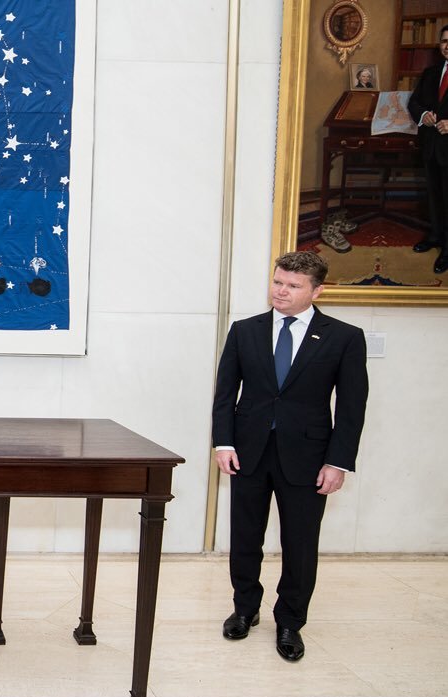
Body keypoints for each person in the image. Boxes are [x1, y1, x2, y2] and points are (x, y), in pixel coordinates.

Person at [211, 251, 368, 663]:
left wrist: (338, 462)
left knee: (300, 543)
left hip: (309, 457)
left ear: (317, 291)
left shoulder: (344, 337)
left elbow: (352, 407)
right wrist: (222, 443)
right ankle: (245, 609)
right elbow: (226, 393)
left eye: (293, 286)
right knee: (245, 538)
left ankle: (290, 621)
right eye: (278, 281)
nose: (281, 291)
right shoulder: (245, 331)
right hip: (248, 452)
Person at [407, 26, 448, 274]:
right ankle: (435, 235)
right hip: (431, 146)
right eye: (444, 41)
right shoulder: (430, 73)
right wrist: (423, 115)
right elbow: (413, 102)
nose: (447, 45)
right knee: (433, 195)